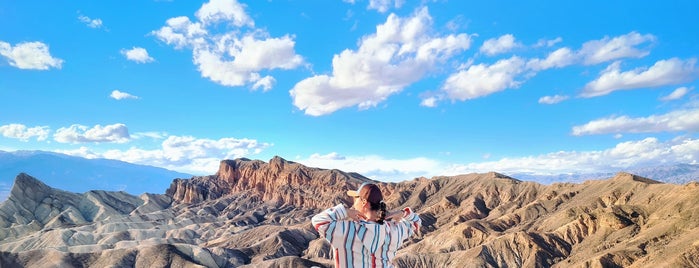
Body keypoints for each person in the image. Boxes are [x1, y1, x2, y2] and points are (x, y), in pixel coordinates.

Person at [311, 182, 422, 268]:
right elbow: (416, 222)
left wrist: (346, 211)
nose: (354, 202)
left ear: (364, 202)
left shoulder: (346, 230)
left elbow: (318, 221)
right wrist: (402, 213)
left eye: (356, 198)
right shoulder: (395, 230)